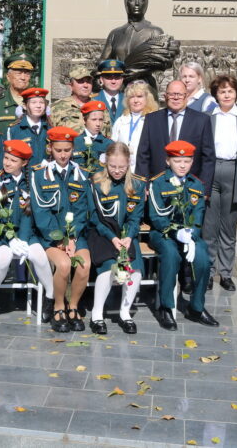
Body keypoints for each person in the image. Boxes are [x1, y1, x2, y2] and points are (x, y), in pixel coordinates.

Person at [146, 140, 219, 330]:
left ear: (192, 162)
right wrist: (176, 232)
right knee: (170, 256)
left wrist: (192, 233)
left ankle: (196, 307)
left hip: (189, 235)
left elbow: (199, 214)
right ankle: (166, 307)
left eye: (187, 161)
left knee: (203, 258)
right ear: (168, 161)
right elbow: (156, 216)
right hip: (163, 234)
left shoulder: (197, 184)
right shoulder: (158, 182)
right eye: (178, 161)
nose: (182, 166)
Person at [0, 139, 56, 325]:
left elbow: (30, 212)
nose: (7, 163)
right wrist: (10, 240)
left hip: (26, 233)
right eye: (6, 158)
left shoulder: (31, 182)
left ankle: (50, 298)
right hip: (0, 235)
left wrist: (22, 239)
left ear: (24, 163)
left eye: (13, 160)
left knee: (40, 257)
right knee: (3, 259)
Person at [29, 126, 92, 333]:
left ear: (73, 149)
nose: (63, 155)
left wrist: (72, 237)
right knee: (64, 265)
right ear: (50, 149)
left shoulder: (81, 174)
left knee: (84, 264)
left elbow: (82, 210)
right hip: (50, 237)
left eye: (67, 150)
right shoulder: (39, 174)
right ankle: (58, 307)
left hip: (75, 235)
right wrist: (60, 239)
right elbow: (41, 212)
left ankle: (73, 306)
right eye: (58, 150)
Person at [87, 142, 146, 335]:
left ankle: (125, 313)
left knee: (135, 269)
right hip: (103, 233)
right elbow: (94, 217)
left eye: (122, 167)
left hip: (126, 235)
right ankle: (97, 314)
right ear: (106, 163)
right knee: (108, 267)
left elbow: (135, 217)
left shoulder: (137, 183)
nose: (117, 171)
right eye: (112, 166)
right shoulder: (95, 182)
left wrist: (128, 236)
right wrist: (112, 237)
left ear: (129, 163)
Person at [203, 75, 237, 292]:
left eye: (230, 91)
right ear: (215, 94)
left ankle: (225, 273)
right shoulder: (207, 117)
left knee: (229, 227)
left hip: (234, 173)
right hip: (212, 173)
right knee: (209, 227)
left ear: (236, 94)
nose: (226, 95)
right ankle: (208, 272)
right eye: (222, 91)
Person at [136, 80, 216, 190]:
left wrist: (205, 189)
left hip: (190, 187)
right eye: (172, 94)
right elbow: (143, 156)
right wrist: (142, 186)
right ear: (165, 96)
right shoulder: (152, 119)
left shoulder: (201, 120)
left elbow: (208, 158)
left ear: (187, 96)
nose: (176, 97)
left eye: (180, 94)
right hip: (157, 186)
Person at [113, 80, 159, 177]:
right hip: (122, 172)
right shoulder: (121, 120)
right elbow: (113, 146)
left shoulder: (154, 119)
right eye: (132, 97)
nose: (135, 100)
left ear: (147, 98)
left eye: (139, 96)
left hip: (145, 172)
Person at [50, 66, 112, 135]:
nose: (85, 85)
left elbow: (107, 137)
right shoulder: (56, 108)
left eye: (88, 81)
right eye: (80, 81)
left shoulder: (101, 108)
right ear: (71, 85)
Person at [0, 52, 36, 130]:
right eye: (18, 73)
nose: (23, 77)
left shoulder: (38, 103)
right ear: (8, 77)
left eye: (27, 73)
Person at [6, 87, 50, 162]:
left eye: (42, 102)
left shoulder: (50, 129)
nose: (38, 106)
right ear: (24, 106)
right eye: (34, 102)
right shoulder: (14, 130)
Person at [72, 100, 113, 176]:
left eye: (100, 120)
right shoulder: (75, 142)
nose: (98, 124)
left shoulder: (109, 144)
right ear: (84, 120)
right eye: (94, 120)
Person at [95, 58, 126, 132]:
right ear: (101, 79)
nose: (113, 81)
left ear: (122, 79)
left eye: (117, 77)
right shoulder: (94, 100)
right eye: (109, 77)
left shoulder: (129, 100)